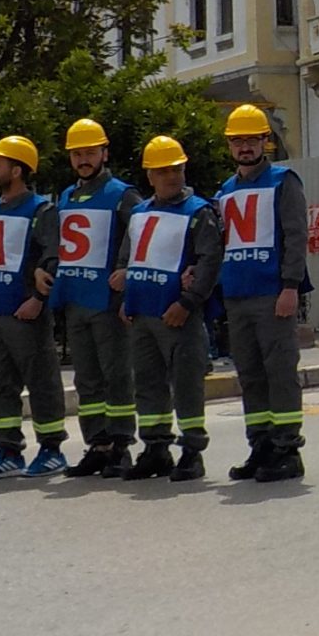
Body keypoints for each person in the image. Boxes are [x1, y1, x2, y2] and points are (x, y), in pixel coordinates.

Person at [114, 137, 223, 483]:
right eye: (163, 171)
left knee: (187, 384)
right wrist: (126, 301)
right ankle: (156, 448)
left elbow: (209, 261)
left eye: (176, 169)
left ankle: (192, 451)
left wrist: (188, 304)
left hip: (178, 316)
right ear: (150, 176)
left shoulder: (199, 211)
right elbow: (127, 259)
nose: (171, 176)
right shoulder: (140, 213)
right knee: (147, 385)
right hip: (142, 315)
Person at [214, 104, 311, 483]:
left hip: (273, 295)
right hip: (237, 297)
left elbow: (296, 237)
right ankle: (261, 446)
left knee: (280, 372)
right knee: (251, 375)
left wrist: (290, 287)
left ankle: (287, 449)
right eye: (237, 141)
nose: (244, 147)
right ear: (230, 146)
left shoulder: (283, 181)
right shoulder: (225, 190)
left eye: (251, 140)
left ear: (264, 142)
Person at [43, 117, 140, 478]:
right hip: (75, 300)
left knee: (116, 376)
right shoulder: (67, 196)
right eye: (77, 153)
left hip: (107, 302)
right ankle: (96, 444)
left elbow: (139, 233)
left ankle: (121, 445)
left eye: (89, 152)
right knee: (87, 380)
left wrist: (126, 269)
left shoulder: (122, 194)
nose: (83, 159)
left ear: (104, 152)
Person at [0, 135, 69, 479]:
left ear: (17, 169)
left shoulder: (41, 209)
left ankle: (52, 447)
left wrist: (38, 300)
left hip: (24, 311)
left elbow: (52, 256)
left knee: (41, 381)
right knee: (0, 386)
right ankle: (8, 449)